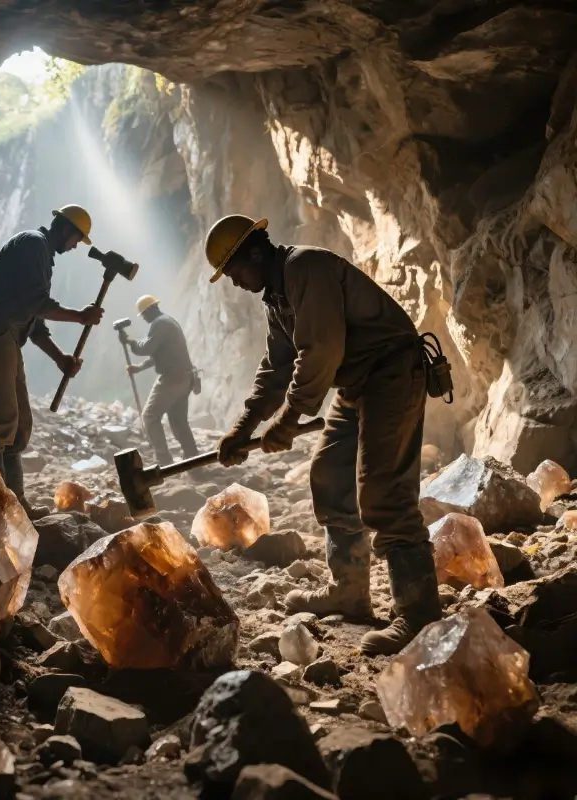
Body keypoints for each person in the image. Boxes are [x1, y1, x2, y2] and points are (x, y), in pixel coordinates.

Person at [204, 214, 440, 656]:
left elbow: (321, 351)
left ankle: (421, 613)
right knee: (330, 475)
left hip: (391, 370)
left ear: (254, 253)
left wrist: (290, 419)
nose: (234, 282)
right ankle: (349, 589)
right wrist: (244, 426)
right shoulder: (277, 296)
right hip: (355, 383)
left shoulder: (306, 268)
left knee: (383, 491)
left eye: (234, 271)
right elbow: (276, 368)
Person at [0, 204, 104, 519]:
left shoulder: (40, 254)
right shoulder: (33, 243)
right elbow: (37, 304)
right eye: (76, 240)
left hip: (6, 337)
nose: (73, 248)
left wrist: (60, 359)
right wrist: (80, 316)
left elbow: (35, 322)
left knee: (17, 429)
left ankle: (15, 504)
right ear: (67, 230)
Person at [121, 295, 199, 465]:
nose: (144, 319)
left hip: (172, 379)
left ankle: (164, 460)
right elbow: (158, 354)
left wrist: (130, 342)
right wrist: (139, 368)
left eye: (143, 315)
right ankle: (194, 461)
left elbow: (147, 347)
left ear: (149, 311)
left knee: (149, 416)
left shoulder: (160, 324)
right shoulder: (168, 322)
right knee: (179, 421)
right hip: (185, 378)